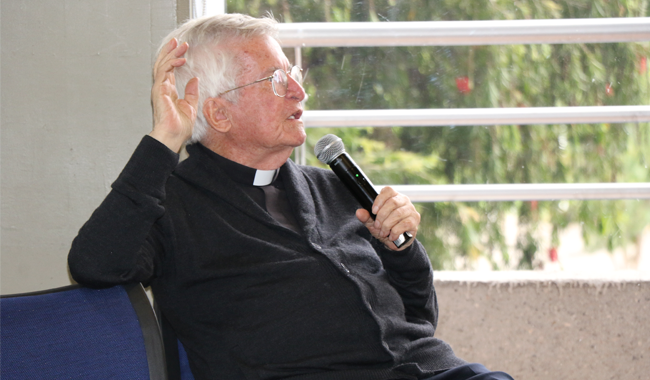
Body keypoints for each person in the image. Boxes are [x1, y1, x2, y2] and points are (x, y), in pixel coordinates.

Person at [68, 13, 513, 380]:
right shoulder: (171, 205)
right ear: (219, 113)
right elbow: (95, 264)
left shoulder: (334, 188)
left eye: (294, 74)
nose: (300, 92)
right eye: (277, 79)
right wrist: (164, 139)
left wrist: (402, 250)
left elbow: (419, 319)